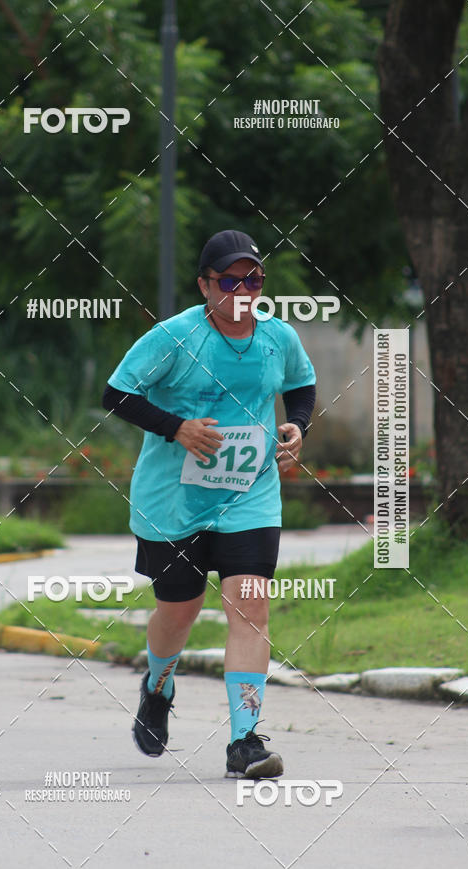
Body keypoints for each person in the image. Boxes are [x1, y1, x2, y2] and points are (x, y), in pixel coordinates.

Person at [102, 229, 316, 778]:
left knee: (251, 604)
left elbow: (302, 384)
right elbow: (117, 393)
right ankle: (157, 685)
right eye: (230, 280)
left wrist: (296, 427)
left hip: (250, 496)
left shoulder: (278, 337)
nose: (243, 289)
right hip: (173, 500)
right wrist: (177, 428)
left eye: (254, 279)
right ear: (205, 286)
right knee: (179, 610)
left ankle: (244, 740)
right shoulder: (174, 337)